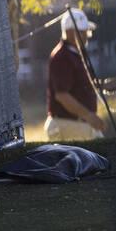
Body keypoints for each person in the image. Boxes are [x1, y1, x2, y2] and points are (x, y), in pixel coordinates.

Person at [45, 8, 106, 141]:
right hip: (67, 124)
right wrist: (89, 116)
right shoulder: (62, 57)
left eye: (87, 32)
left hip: (79, 124)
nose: (86, 36)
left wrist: (103, 85)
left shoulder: (76, 54)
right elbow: (62, 95)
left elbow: (79, 86)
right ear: (69, 32)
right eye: (82, 32)